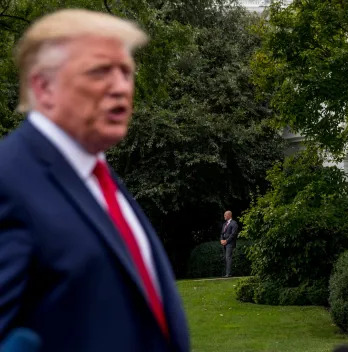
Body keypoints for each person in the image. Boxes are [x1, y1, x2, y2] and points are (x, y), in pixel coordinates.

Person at [0, 9, 189, 351]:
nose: (121, 87)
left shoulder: (97, 176)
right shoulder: (8, 181)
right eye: (100, 71)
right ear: (44, 87)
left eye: (126, 72)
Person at [220, 210, 238, 277]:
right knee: (225, 258)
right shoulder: (224, 224)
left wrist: (226, 241)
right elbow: (222, 233)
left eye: (225, 215)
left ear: (229, 215)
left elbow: (233, 234)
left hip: (230, 243)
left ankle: (228, 273)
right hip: (224, 243)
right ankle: (226, 273)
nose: (224, 216)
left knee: (228, 257)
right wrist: (221, 240)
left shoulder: (234, 223)